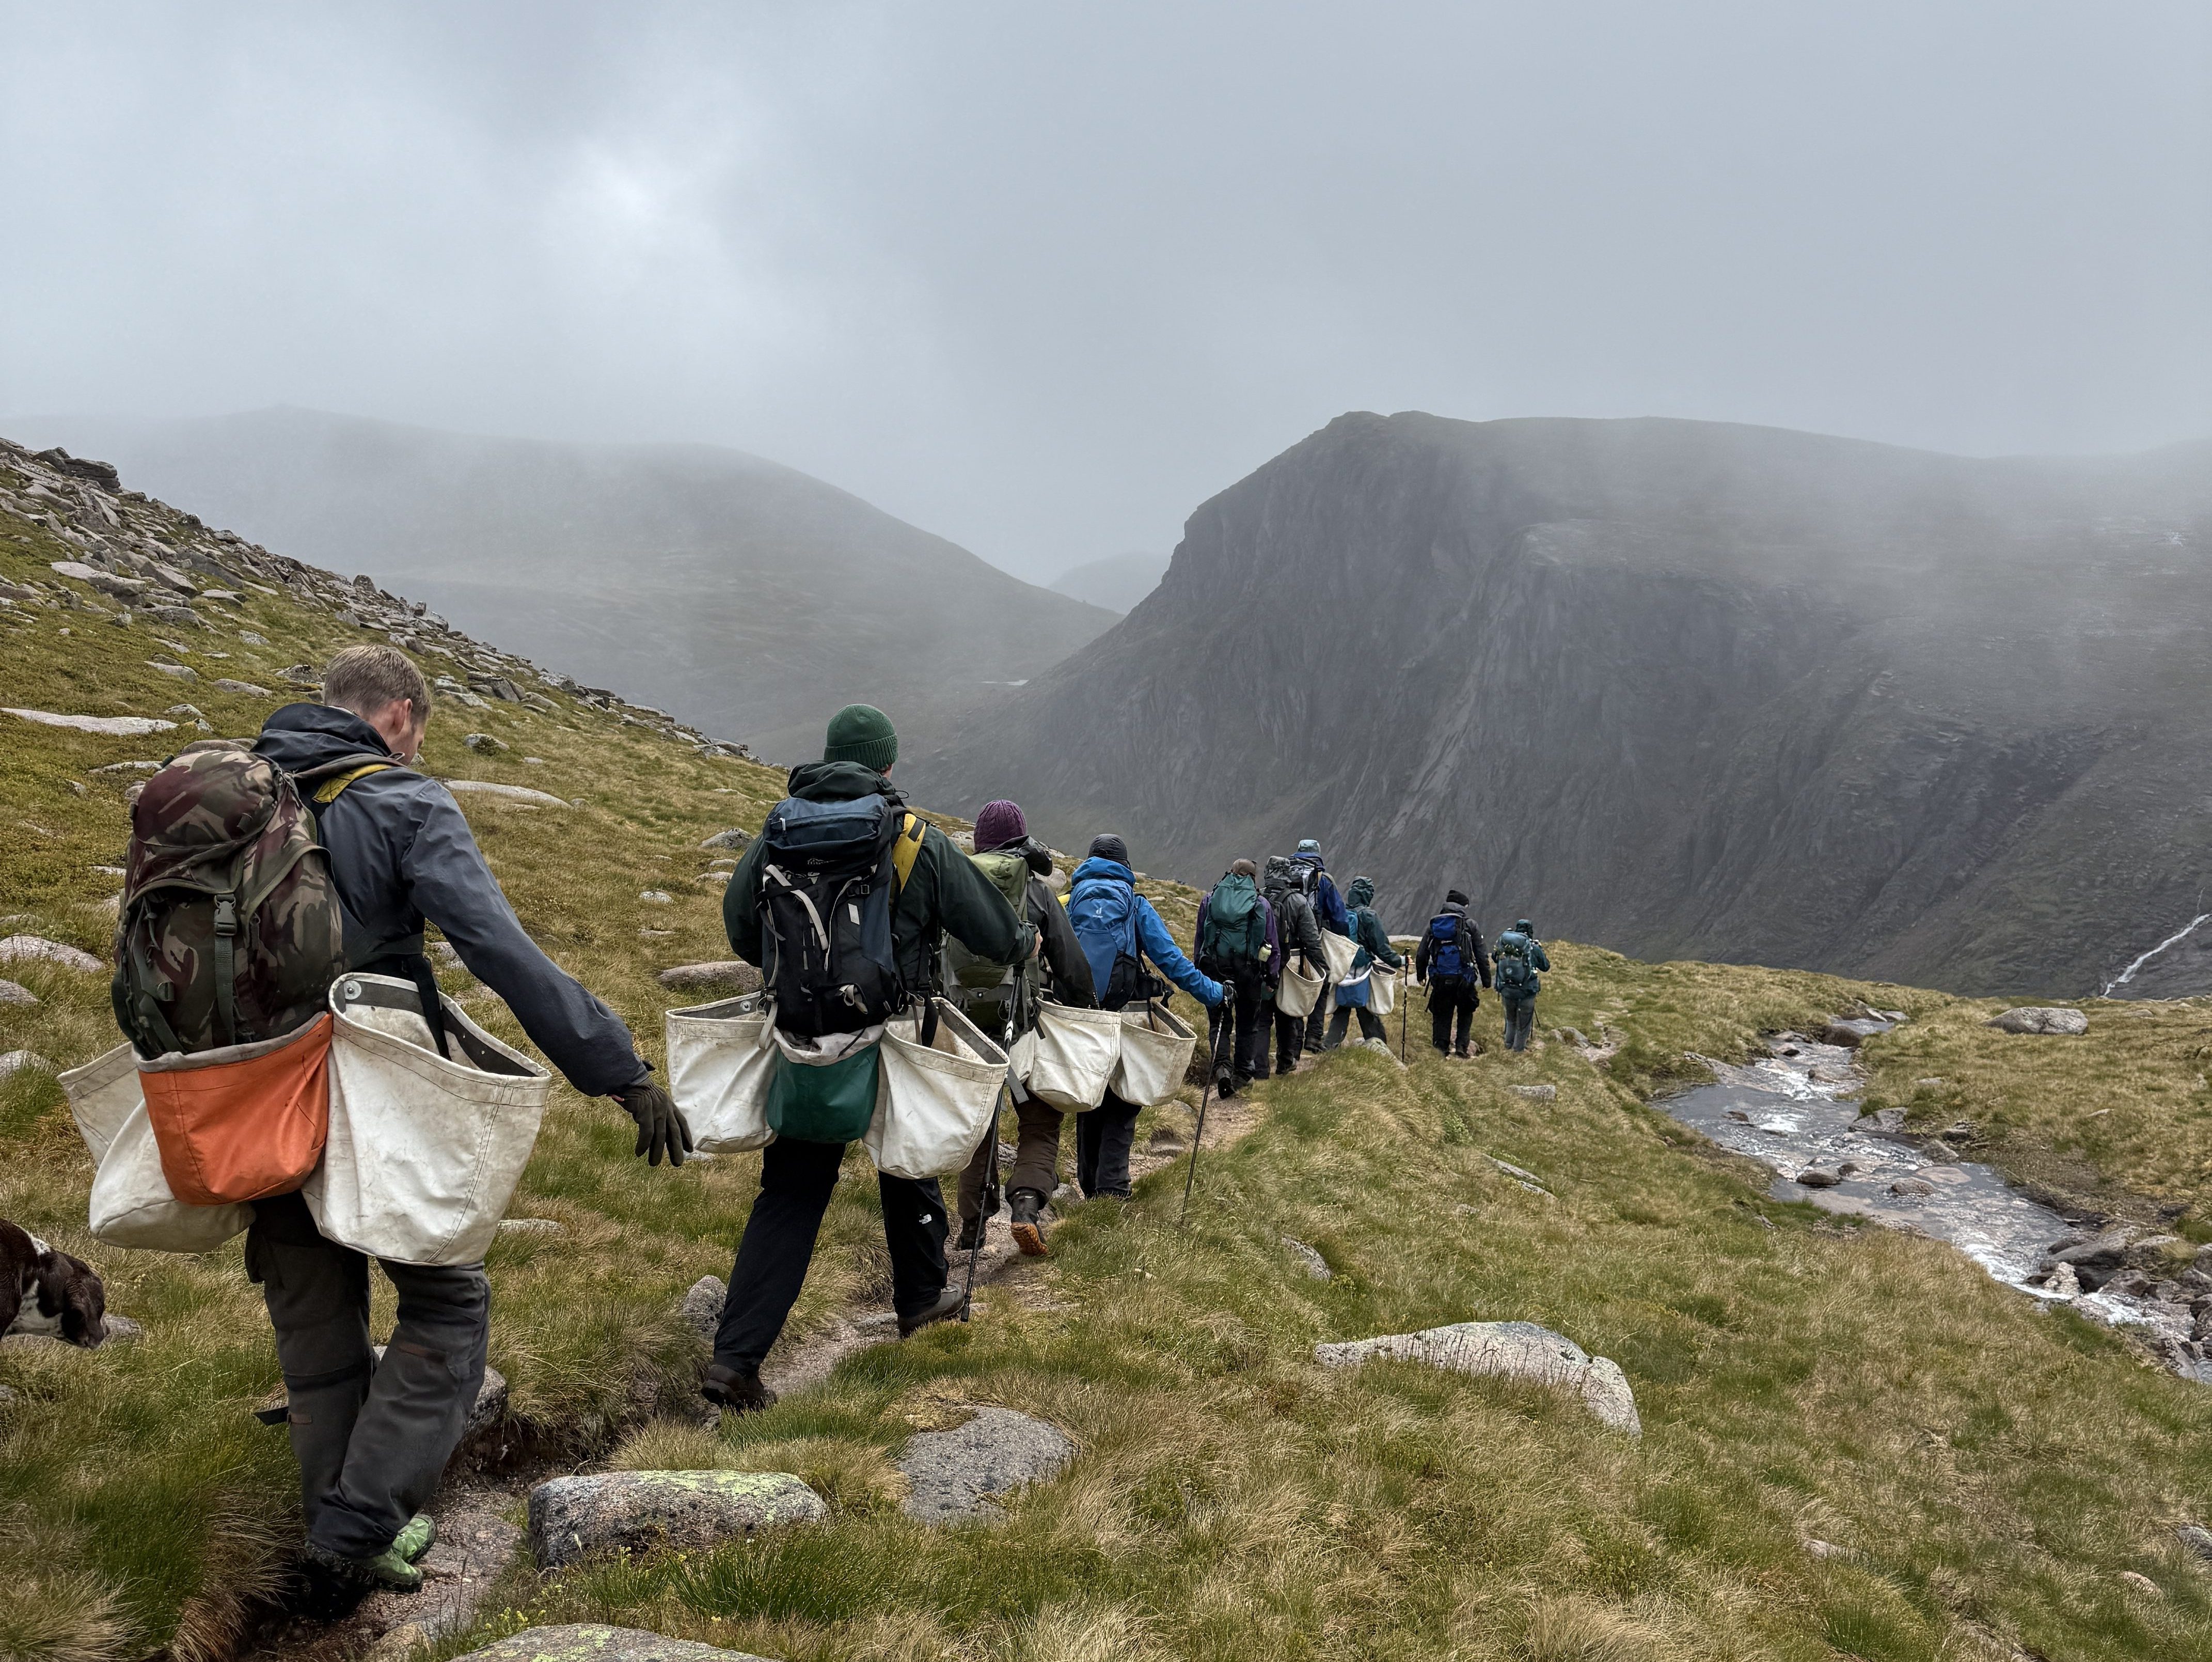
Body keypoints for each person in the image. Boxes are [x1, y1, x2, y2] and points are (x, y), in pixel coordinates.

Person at [249, 645, 686, 1617]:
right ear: (401, 715)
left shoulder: (244, 796)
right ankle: (354, 1531)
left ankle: (332, 1536)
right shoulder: (402, 801)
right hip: (364, 1087)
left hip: (248, 1090)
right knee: (447, 1304)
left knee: (316, 1314)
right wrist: (617, 1069)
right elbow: (497, 948)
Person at [709, 706, 1037, 1414]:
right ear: (884, 765)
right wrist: (1023, 946)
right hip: (892, 1030)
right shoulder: (912, 836)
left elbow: (740, 927)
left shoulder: (779, 830)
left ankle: (735, 1358)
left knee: (792, 1191)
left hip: (804, 1034)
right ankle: (921, 1298)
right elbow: (994, 932)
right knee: (907, 1156)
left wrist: (802, 975)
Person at [950, 800, 1096, 1258]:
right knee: (1041, 1119)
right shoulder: (1037, 891)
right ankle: (1027, 1206)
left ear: (979, 842)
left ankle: (972, 1225)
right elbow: (1071, 965)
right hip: (1024, 1023)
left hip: (965, 1026)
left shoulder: (956, 884)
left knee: (979, 1124)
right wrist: (1084, 1008)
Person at [1065, 834, 1223, 1196]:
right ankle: (1114, 1191)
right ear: (1126, 866)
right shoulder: (1136, 906)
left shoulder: (1068, 902)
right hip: (1128, 1020)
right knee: (1123, 1103)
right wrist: (1215, 994)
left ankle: (1091, 1188)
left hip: (1081, 1019)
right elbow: (1172, 963)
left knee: (1090, 1100)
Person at [1194, 858, 1277, 1096]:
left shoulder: (1210, 900)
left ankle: (1222, 1070)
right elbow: (1271, 944)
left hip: (1215, 971)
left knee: (1218, 1022)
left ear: (1230, 873)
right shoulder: (1261, 904)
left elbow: (1201, 938)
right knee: (1247, 1025)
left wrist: (1198, 969)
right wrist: (1272, 979)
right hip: (1249, 973)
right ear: (1253, 878)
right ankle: (1241, 1075)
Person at [1259, 853, 1326, 1078]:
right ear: (1288, 874)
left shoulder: (1257, 898)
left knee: (1262, 1018)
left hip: (1261, 964)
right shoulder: (1298, 901)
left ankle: (1259, 1069)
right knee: (1288, 1014)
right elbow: (1311, 939)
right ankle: (1286, 1062)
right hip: (1291, 965)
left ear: (1268, 873)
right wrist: (1323, 967)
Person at [1323, 876, 1404, 1049]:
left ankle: (1329, 1047)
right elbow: (1381, 948)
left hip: (1343, 968)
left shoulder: (1341, 912)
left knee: (1342, 1010)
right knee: (1366, 1008)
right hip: (1362, 971)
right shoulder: (1369, 915)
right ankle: (1378, 1047)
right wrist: (1399, 961)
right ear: (1367, 895)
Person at [1414, 889, 1490, 1058]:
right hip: (1464, 978)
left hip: (1440, 978)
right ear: (1462, 906)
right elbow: (1481, 954)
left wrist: (1421, 975)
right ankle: (1462, 1048)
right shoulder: (1470, 925)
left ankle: (1440, 1050)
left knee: (1442, 1013)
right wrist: (1486, 981)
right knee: (1465, 1011)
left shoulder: (1434, 926)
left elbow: (1422, 954)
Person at [1289, 839, 1348, 1054]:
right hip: (1315, 942)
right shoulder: (1324, 880)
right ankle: (1313, 1037)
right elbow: (1340, 918)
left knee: (1294, 988)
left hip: (1288, 943)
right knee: (1321, 986)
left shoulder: (1286, 875)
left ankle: (1293, 1041)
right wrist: (1340, 939)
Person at [1493, 919, 1552, 1053]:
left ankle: (1508, 1047)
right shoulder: (1533, 948)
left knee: (1511, 1020)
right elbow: (1546, 967)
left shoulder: (1506, 945)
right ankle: (1518, 1051)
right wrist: (1540, 949)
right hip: (1527, 992)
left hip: (1507, 990)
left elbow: (1496, 958)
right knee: (1524, 1024)